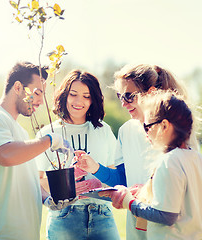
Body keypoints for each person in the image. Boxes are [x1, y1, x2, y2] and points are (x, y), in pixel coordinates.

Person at [75, 64, 195, 240]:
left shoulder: (175, 129)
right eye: (119, 96)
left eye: (129, 96)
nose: (123, 103)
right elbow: (123, 181)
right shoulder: (125, 131)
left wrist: (147, 191)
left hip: (172, 231)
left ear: (151, 93)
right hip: (137, 230)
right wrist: (96, 170)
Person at [0, 62, 76, 240]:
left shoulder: (21, 131)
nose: (41, 101)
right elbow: (5, 155)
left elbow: (26, 179)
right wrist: (49, 140)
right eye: (37, 92)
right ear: (18, 87)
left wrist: (46, 198)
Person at [35, 70, 120, 240]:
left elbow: (115, 176)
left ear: (93, 100)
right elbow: (36, 181)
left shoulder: (103, 130)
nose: (79, 101)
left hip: (102, 214)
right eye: (73, 94)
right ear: (64, 95)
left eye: (86, 96)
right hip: (63, 218)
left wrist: (99, 180)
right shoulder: (48, 133)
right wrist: (65, 184)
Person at [107, 90, 202, 239]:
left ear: (164, 125)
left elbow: (166, 215)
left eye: (147, 127)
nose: (146, 134)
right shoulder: (196, 157)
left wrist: (129, 202)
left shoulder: (169, 161)